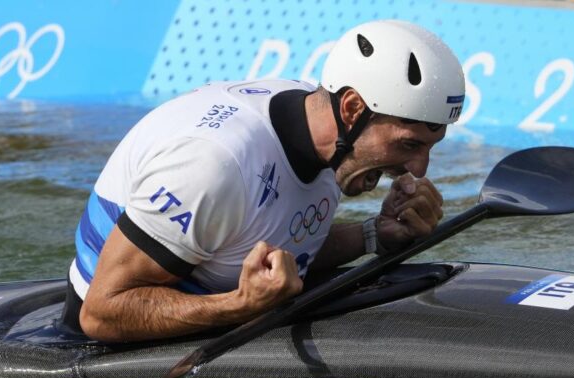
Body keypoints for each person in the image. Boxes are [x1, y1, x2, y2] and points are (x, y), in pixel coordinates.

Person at [62, 20, 466, 343]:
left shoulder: (321, 123)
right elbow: (102, 312)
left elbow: (270, 235)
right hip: (101, 340)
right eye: (409, 144)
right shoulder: (213, 166)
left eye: (430, 146)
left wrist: (374, 236)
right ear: (352, 107)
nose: (419, 169)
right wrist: (240, 305)